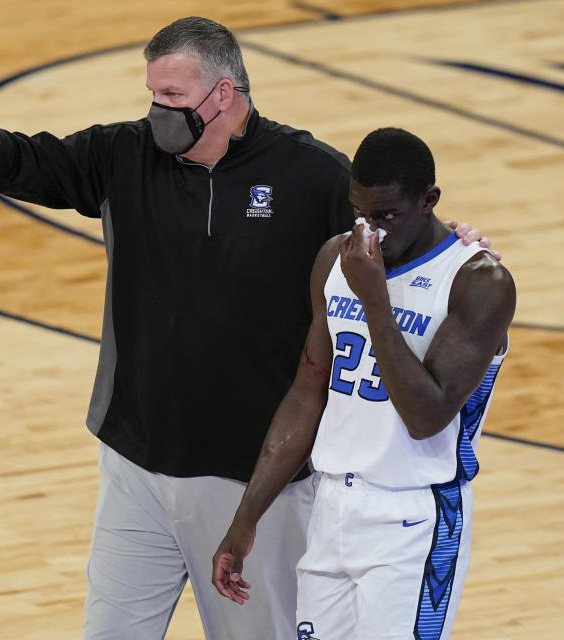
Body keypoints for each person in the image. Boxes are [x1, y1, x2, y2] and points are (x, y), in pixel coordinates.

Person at [0, 17, 492, 640]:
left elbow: (390, 232)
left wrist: (455, 244)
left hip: (248, 478)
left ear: (224, 95)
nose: (158, 111)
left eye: (173, 98)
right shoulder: (122, 154)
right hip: (135, 460)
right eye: (153, 95)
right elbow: (34, 165)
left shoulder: (310, 173)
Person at [212, 127, 515, 640]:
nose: (371, 232)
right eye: (361, 214)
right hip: (333, 508)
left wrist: (375, 299)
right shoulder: (336, 258)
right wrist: (245, 520)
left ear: (429, 201)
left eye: (387, 216)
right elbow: (308, 390)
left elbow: (427, 415)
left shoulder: (478, 282)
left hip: (413, 516)